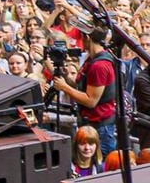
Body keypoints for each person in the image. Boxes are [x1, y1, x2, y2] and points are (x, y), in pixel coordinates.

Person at [50, 25, 120, 156]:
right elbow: (82, 87)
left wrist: (64, 87)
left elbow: (91, 101)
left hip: (99, 127)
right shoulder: (91, 59)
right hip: (90, 123)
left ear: (87, 37)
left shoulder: (99, 65)